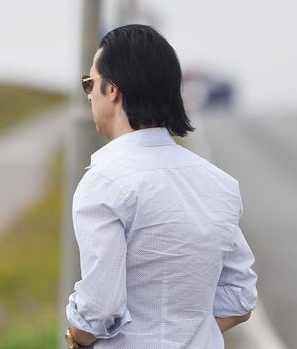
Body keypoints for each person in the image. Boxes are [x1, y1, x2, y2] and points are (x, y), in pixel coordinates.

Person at [65, 24, 258, 349]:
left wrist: (73, 338)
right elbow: (240, 297)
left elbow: (99, 307)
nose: (88, 94)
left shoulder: (103, 182)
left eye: (90, 83)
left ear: (112, 89)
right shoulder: (218, 184)